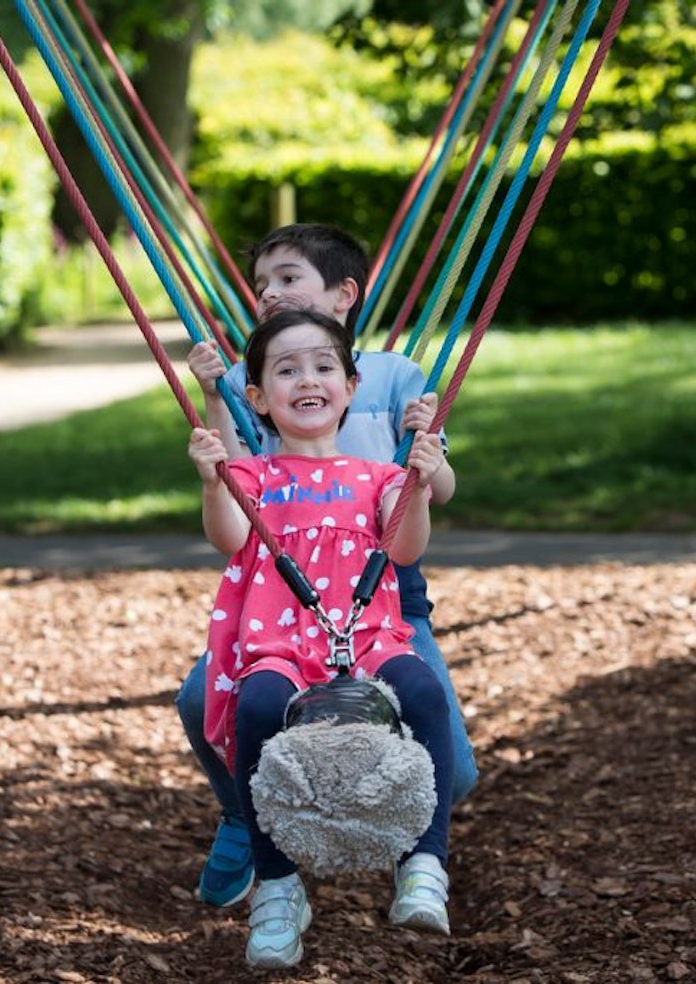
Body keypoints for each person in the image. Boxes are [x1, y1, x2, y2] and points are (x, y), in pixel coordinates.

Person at [174, 223, 478, 909]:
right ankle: (249, 820)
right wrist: (217, 396)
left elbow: (424, 499)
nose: (269, 296)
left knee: (451, 769)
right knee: (206, 702)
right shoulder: (268, 370)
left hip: (379, 595)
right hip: (283, 599)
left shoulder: (392, 375)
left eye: (287, 280)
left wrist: (422, 458)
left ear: (345, 294)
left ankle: (411, 856)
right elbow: (234, 494)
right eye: (262, 287)